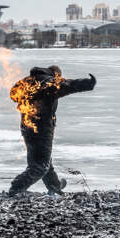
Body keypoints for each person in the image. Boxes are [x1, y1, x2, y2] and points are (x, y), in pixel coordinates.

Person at [8, 65, 96, 196]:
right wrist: (89, 84)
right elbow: (69, 85)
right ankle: (17, 187)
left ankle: (54, 186)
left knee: (42, 159)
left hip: (27, 126)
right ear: (56, 75)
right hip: (42, 127)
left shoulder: (28, 80)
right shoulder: (50, 82)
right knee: (40, 165)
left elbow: (13, 95)